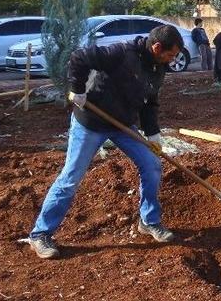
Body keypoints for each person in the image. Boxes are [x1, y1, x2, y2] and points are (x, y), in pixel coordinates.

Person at [27, 25, 185, 259]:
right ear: (157, 47)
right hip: (91, 121)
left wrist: (153, 134)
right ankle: (40, 234)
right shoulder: (121, 53)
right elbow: (79, 58)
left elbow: (150, 102)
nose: (172, 60)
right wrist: (77, 89)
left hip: (123, 126)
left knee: (152, 165)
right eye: (170, 55)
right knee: (71, 178)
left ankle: (148, 221)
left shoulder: (157, 68)